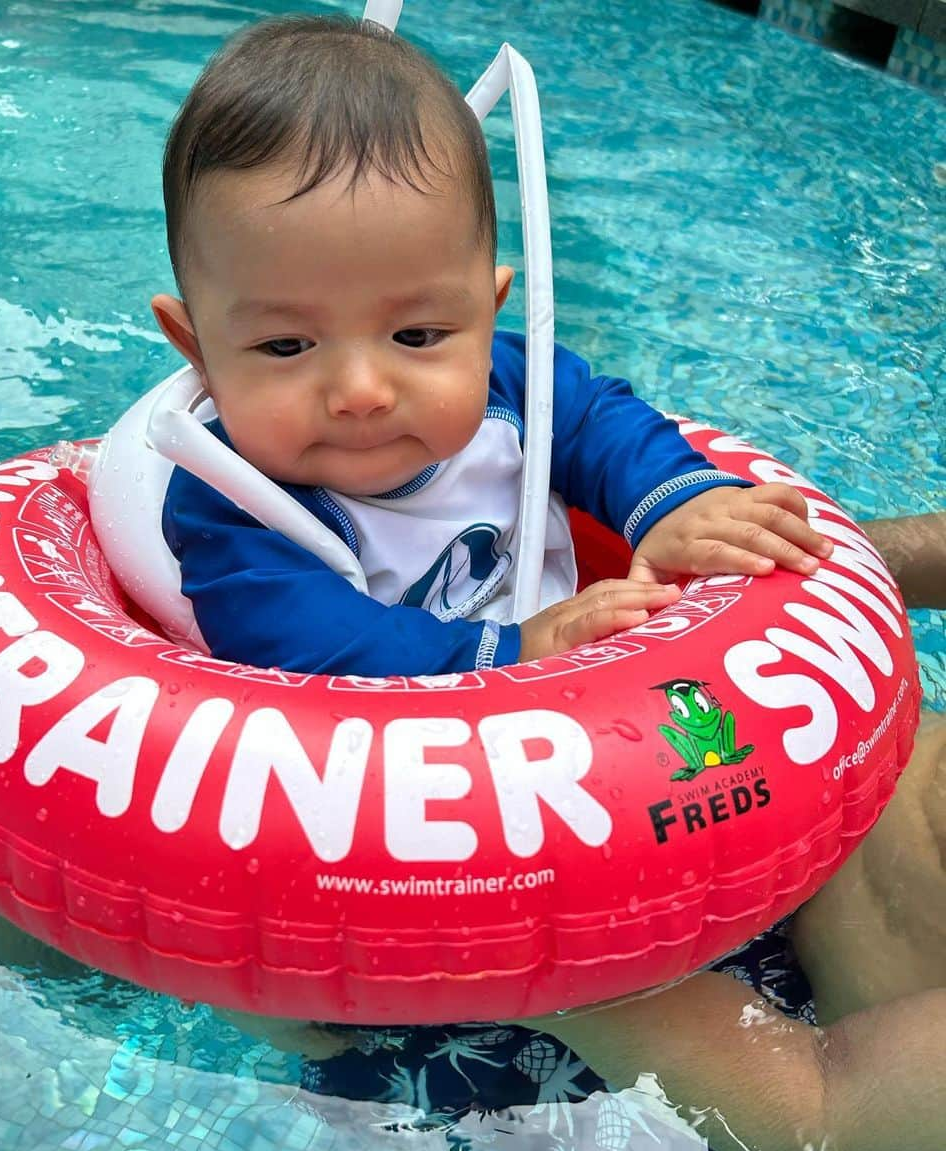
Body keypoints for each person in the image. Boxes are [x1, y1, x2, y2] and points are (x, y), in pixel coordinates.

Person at [233, 513, 946, 1151]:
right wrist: (739, 591)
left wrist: (498, 939)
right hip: (814, 773)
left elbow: (815, 1112)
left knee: (374, 1091)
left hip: (762, 1039)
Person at [149, 15, 831, 677]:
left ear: (488, 310)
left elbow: (599, 422)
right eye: (287, 345)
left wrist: (672, 501)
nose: (361, 391)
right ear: (197, 348)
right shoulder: (229, 503)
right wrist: (515, 652)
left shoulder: (513, 383)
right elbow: (312, 647)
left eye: (417, 335)